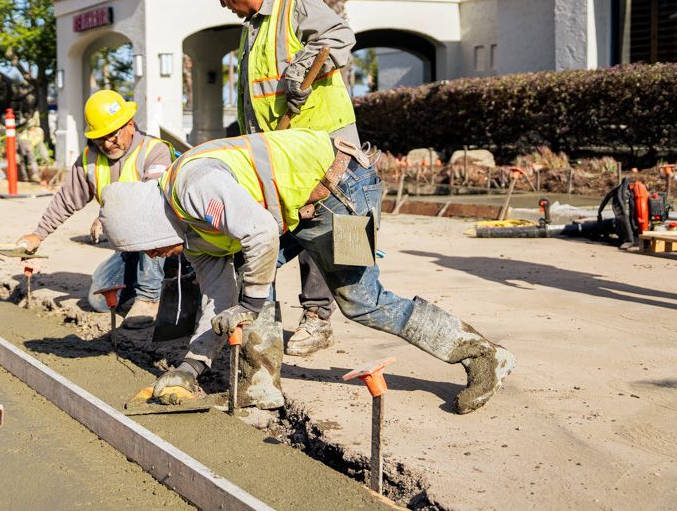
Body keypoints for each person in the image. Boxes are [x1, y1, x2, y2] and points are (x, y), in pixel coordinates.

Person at [98, 128, 515, 414]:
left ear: (149, 227)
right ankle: (259, 388)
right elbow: (220, 303)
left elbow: (260, 231)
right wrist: (191, 368)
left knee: (363, 302)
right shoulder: (194, 238)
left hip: (344, 191)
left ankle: (483, 355)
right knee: (247, 284)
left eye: (147, 248)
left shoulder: (193, 184)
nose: (154, 257)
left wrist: (249, 303)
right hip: (299, 211)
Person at [203, 0, 360, 356]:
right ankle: (263, 327)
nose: (224, 7)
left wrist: (301, 68)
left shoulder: (296, 3)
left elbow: (340, 36)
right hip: (281, 151)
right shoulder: (252, 27)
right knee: (283, 232)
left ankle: (318, 319)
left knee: (334, 237)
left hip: (325, 144)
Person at [15, 89, 170, 329]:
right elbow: (66, 199)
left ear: (130, 124)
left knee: (153, 224)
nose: (108, 144)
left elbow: (154, 202)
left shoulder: (155, 151)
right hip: (129, 248)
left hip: (163, 244)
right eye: (101, 138)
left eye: (113, 135)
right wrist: (38, 234)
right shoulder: (89, 159)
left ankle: (150, 297)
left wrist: (107, 216)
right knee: (99, 300)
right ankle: (153, 288)